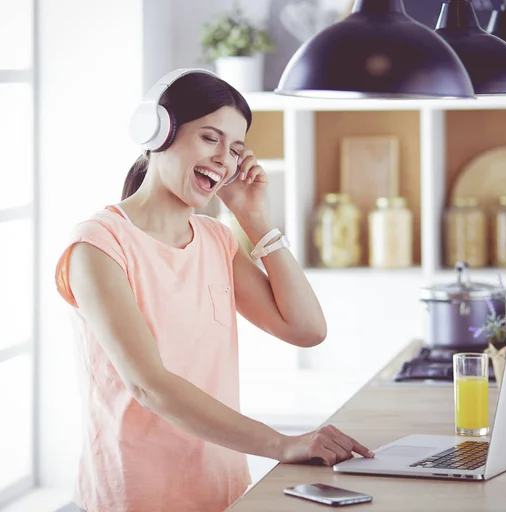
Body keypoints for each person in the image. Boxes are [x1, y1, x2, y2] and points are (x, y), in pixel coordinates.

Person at [54, 69, 374, 512]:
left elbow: (307, 329)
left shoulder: (215, 240)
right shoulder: (98, 244)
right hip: (138, 496)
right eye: (210, 138)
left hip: (224, 492)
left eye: (237, 149)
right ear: (158, 132)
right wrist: (283, 444)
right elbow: (150, 386)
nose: (225, 158)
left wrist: (253, 218)